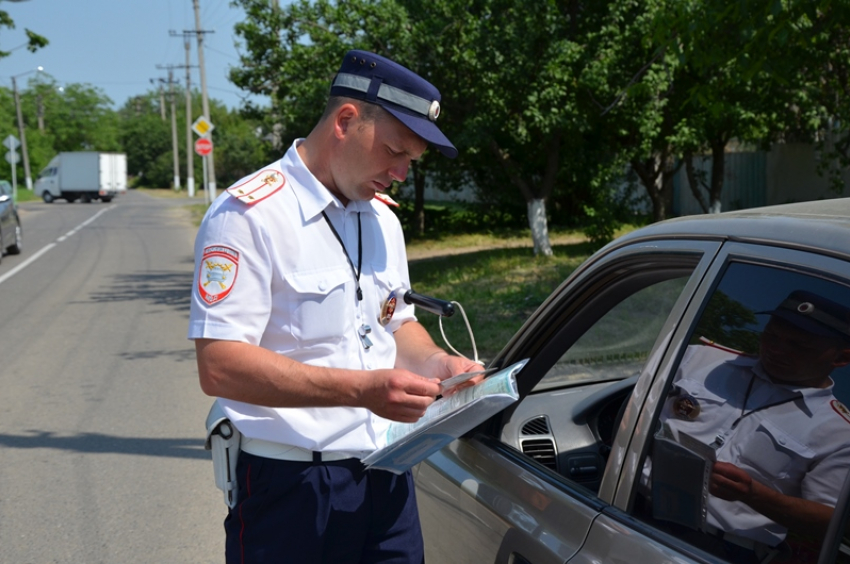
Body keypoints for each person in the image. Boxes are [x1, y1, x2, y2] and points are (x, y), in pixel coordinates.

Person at [188, 50, 482, 563]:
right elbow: (220, 366)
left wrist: (437, 364)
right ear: (347, 121)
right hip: (293, 486)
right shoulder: (250, 216)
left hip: (387, 473)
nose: (401, 173)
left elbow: (396, 323)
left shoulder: (383, 220)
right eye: (395, 151)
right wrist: (364, 390)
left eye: (411, 161)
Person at [656, 290, 850, 559]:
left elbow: (828, 521)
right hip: (633, 505)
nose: (775, 349)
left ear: (841, 358)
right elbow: (633, 413)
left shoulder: (840, 433)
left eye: (798, 345)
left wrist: (753, 495)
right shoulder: (700, 359)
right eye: (771, 335)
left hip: (718, 549)